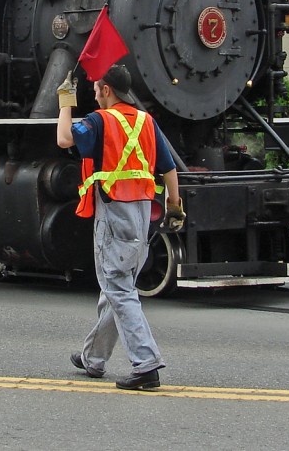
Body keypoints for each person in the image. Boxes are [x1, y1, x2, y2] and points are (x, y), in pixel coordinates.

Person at [56, 63, 185, 391]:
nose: (95, 92)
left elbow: (63, 139)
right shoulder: (146, 121)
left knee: (118, 287)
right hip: (143, 216)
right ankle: (94, 358)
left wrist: (65, 103)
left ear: (106, 90)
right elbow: (169, 168)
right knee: (117, 286)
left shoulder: (100, 120)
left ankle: (146, 364)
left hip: (114, 214)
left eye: (97, 87)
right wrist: (174, 205)